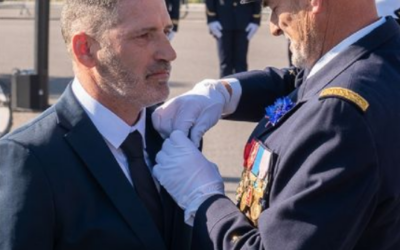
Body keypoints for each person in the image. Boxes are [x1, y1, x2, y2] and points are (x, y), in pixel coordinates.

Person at [151, 0, 400, 249]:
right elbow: (306, 81)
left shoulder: (341, 117)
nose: (273, 28)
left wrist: (203, 199)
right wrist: (225, 93)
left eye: (275, 8)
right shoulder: (382, 52)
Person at [0, 0, 191, 249]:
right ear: (86, 49)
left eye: (166, 31)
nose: (169, 52)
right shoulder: (31, 157)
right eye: (144, 35)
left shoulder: (174, 134)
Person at [206, 0, 262, 77]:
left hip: (244, 20)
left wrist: (256, 19)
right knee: (225, 63)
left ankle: (243, 87)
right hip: (222, 20)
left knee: (241, 62)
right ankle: (225, 87)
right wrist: (211, 19)